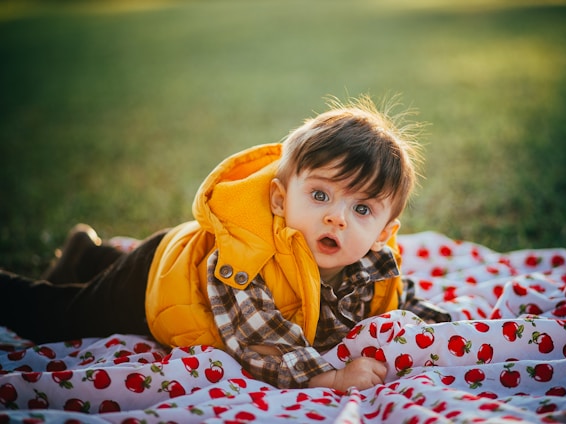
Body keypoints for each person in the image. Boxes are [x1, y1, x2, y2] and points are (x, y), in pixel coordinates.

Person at [0, 95, 451, 391]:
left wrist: (439, 329)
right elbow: (261, 346)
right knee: (61, 318)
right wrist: (330, 376)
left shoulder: (368, 265)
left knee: (96, 275)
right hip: (160, 280)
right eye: (319, 195)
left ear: (384, 235)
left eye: (362, 209)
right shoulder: (244, 260)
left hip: (172, 268)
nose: (336, 215)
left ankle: (87, 254)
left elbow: (396, 300)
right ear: (280, 199)